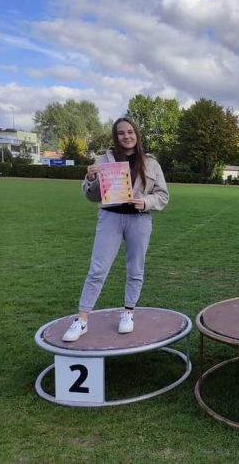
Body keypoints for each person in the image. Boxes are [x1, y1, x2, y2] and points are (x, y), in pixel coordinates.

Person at [62, 117, 169, 341]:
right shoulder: (102, 160)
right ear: (115, 136)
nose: (126, 136)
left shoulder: (151, 162)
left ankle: (128, 313)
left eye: (130, 132)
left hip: (139, 220)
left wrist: (146, 202)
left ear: (136, 134)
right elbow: (92, 196)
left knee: (135, 269)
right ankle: (82, 320)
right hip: (110, 218)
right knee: (97, 269)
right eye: (121, 133)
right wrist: (91, 178)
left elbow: (162, 195)